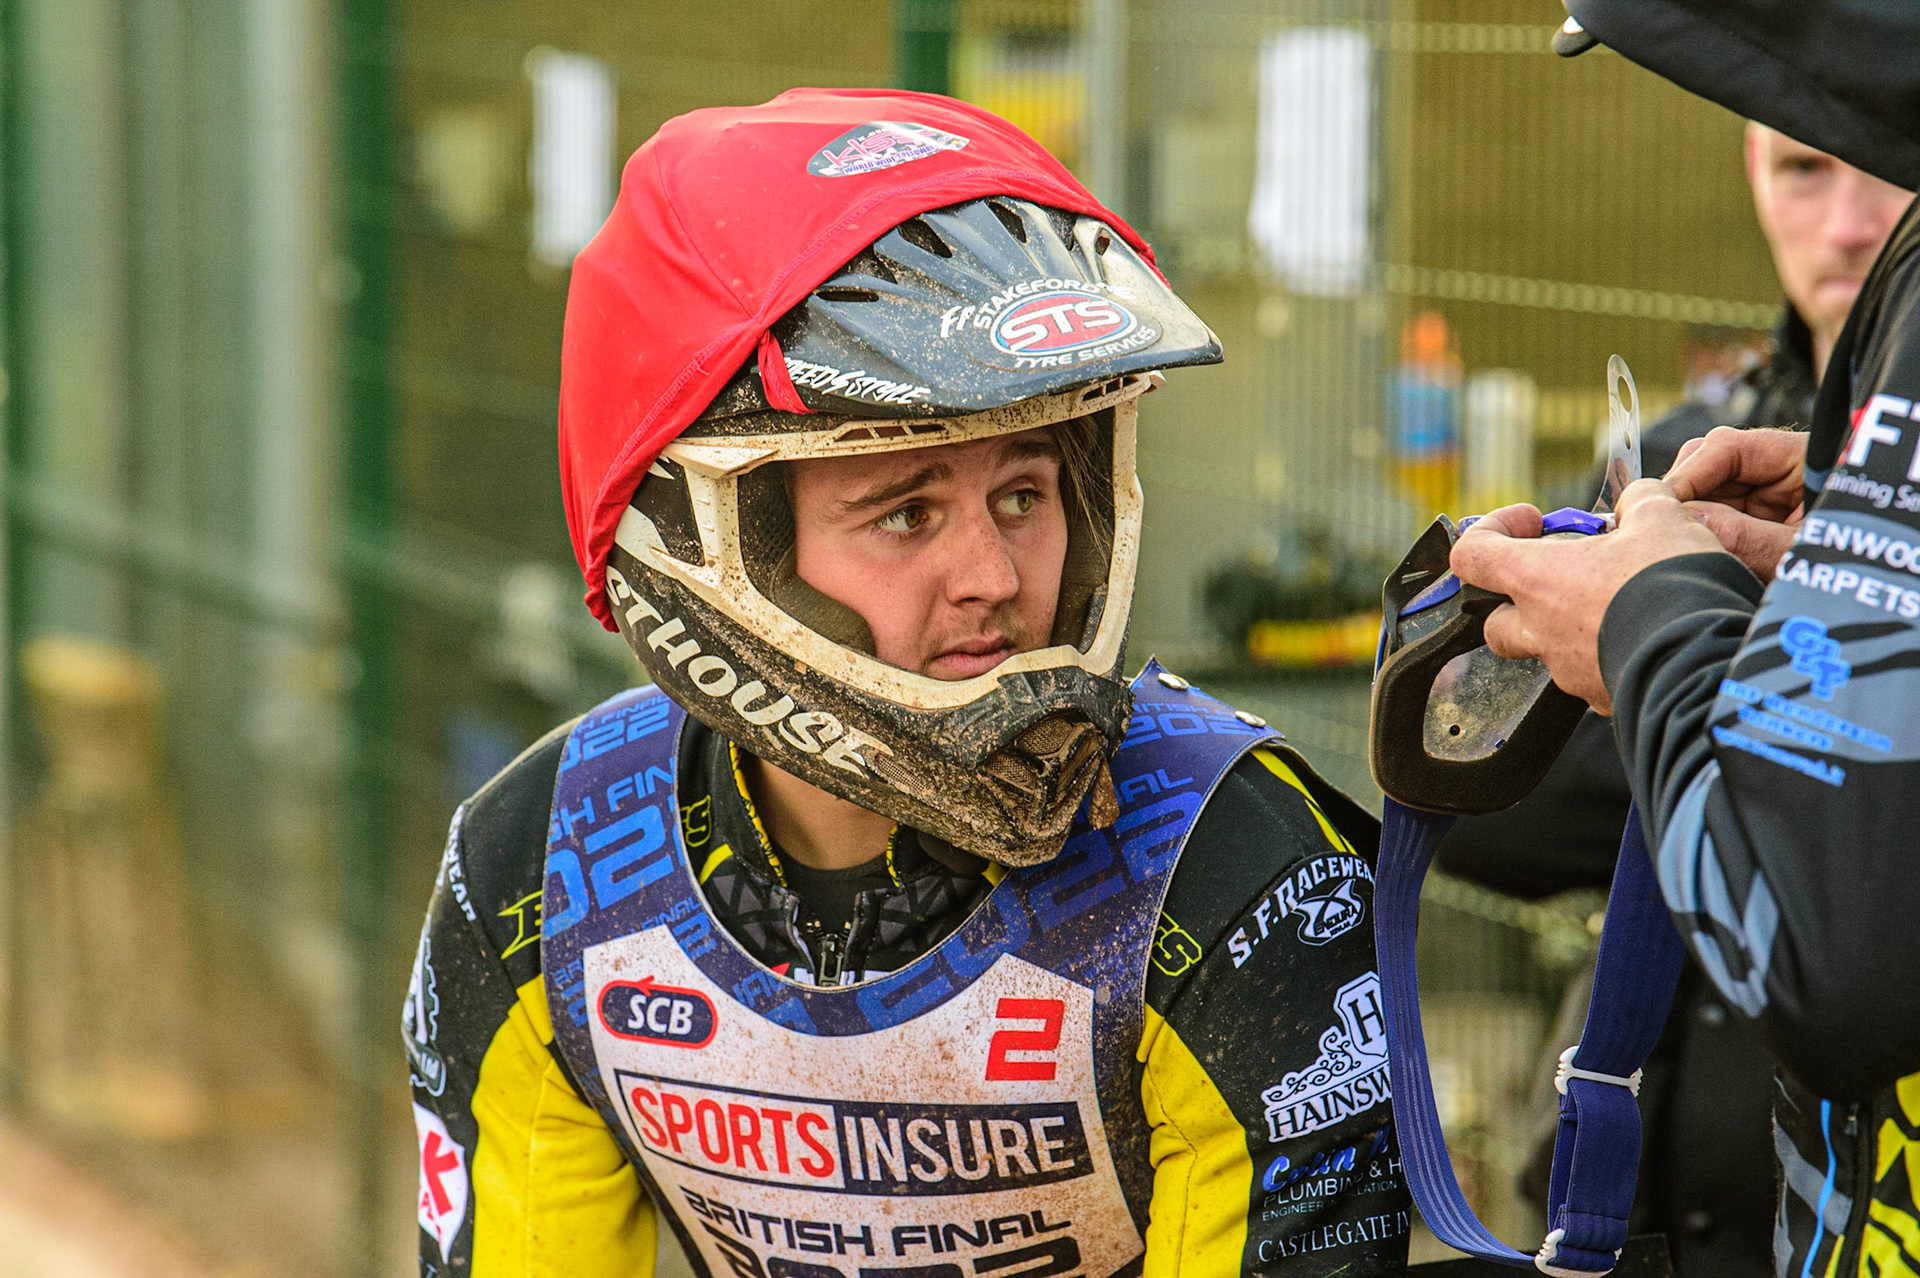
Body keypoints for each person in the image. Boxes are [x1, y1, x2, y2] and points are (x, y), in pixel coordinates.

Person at [404, 90, 1412, 1278]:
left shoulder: (1242, 884)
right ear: (695, 535)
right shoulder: (535, 876)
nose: (992, 576)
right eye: (906, 512)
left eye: (1025, 494)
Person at [1449, 5, 1920, 1278]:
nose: (1854, 220)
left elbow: (1829, 923)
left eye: (1885, 163)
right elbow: (1494, 803)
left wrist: (1662, 644)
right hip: (1697, 1185)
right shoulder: (1706, 446)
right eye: (1805, 163)